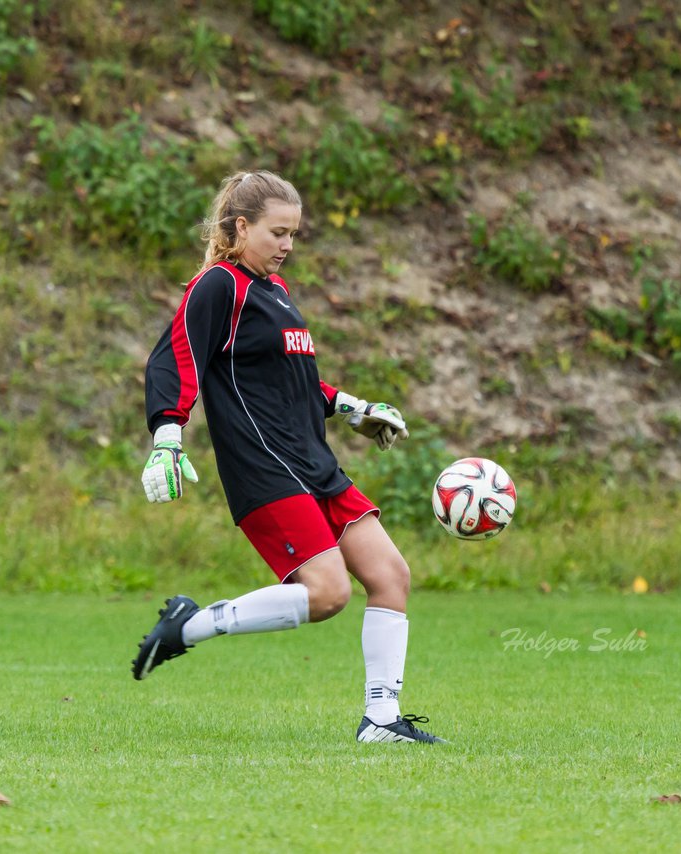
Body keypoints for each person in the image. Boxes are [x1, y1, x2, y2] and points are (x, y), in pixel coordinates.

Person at [132, 170, 446, 745]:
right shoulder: (218, 286)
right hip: (265, 466)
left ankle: (381, 721)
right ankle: (190, 626)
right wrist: (167, 437)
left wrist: (352, 406)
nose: (288, 246)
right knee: (328, 593)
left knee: (390, 575)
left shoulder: (274, 294)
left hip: (312, 460)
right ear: (241, 226)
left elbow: (290, 383)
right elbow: (176, 356)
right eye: (278, 232)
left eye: (294, 234)